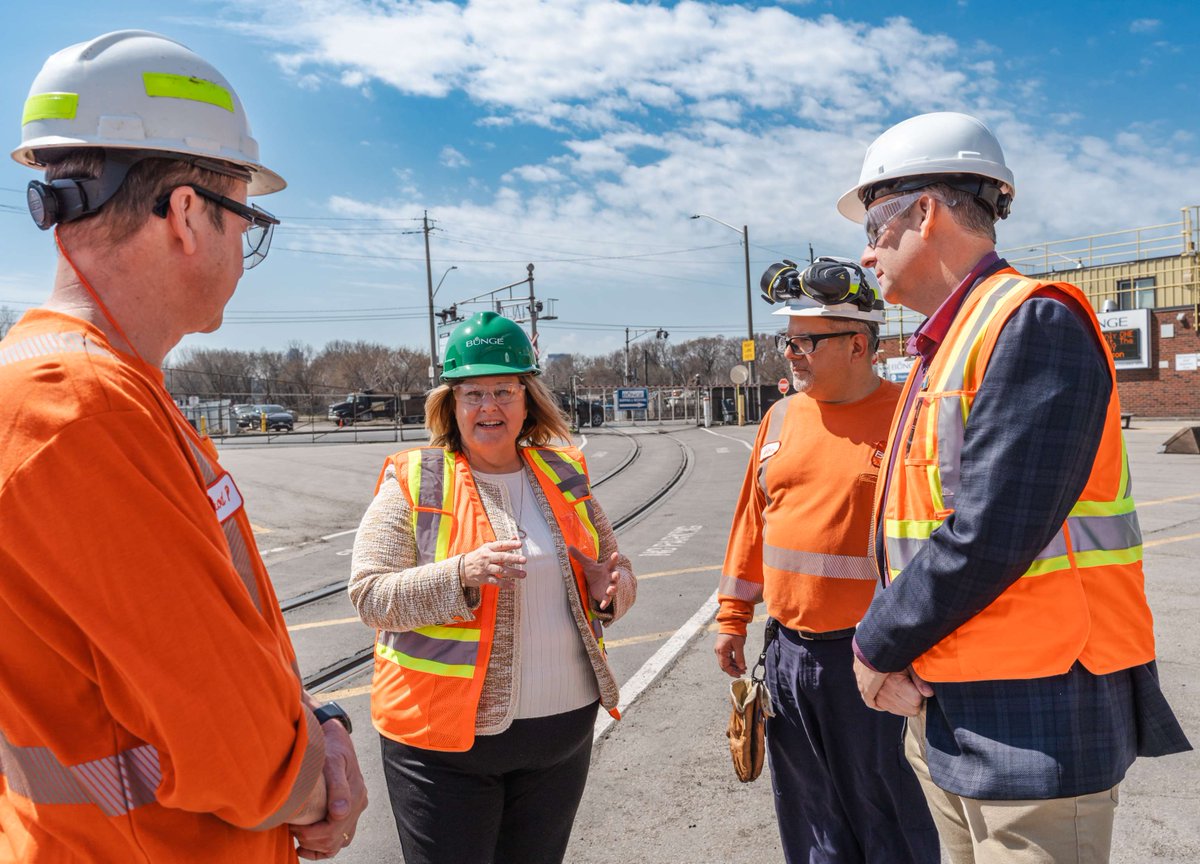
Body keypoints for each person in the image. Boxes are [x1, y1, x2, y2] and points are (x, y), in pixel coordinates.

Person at [0, 31, 367, 862]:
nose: (246, 251)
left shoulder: (92, 391)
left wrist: (317, 725)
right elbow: (240, 750)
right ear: (189, 213)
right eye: (247, 218)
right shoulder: (79, 414)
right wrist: (325, 775)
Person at [840, 111, 1191, 863]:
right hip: (954, 705)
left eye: (874, 225)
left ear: (925, 212)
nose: (866, 253)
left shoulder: (1032, 323)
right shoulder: (950, 341)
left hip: (1033, 717)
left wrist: (875, 644)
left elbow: (989, 531)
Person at [349, 311, 636, 864]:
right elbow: (370, 595)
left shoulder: (562, 472)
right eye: (472, 393)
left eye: (503, 390)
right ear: (449, 406)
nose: (489, 407)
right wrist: (459, 574)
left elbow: (617, 575)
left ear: (528, 400)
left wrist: (611, 589)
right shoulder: (414, 478)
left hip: (561, 737)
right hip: (443, 747)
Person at [714, 270, 940, 864]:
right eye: (786, 341)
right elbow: (752, 524)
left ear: (858, 344)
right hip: (789, 657)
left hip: (876, 661)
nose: (789, 354)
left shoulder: (912, 420)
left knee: (890, 818)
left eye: (804, 342)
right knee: (811, 822)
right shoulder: (782, 417)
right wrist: (732, 618)